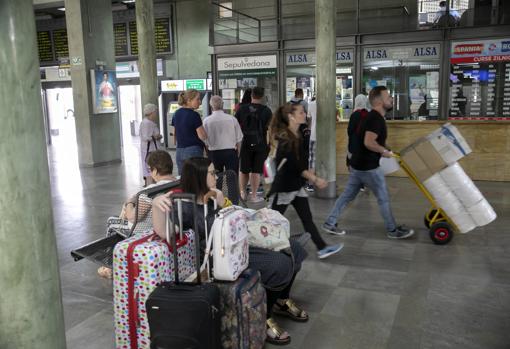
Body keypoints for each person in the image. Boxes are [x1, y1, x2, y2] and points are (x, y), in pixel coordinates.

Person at [152, 157, 308, 345]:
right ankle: (264, 316)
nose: (216, 177)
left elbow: (236, 217)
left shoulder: (212, 197)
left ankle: (282, 299)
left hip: (237, 244)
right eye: (211, 173)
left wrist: (222, 202)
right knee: (279, 264)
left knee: (295, 248)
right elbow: (164, 232)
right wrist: (156, 205)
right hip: (218, 257)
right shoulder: (184, 205)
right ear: (199, 176)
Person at [321, 86, 415, 239]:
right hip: (369, 167)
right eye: (388, 97)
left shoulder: (372, 117)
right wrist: (383, 152)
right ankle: (392, 231)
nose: (391, 99)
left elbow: (373, 140)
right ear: (378, 101)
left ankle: (329, 222)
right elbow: (369, 142)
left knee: (347, 196)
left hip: (357, 165)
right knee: (383, 198)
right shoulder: (375, 119)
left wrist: (388, 149)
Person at [267, 103, 344, 260]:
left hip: (295, 186)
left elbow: (300, 165)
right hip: (285, 188)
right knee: (271, 221)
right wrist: (315, 179)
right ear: (291, 116)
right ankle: (260, 248)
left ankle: (322, 248)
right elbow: (297, 167)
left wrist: (312, 175)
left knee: (307, 219)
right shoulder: (286, 139)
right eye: (301, 112)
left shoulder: (296, 135)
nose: (305, 114)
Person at [97, 150, 176, 279]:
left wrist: (129, 202)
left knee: (112, 222)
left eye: (150, 169)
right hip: (166, 227)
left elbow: (132, 216)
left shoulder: (151, 191)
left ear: (155, 170)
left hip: (144, 232)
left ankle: (110, 267)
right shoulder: (177, 182)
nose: (150, 173)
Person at [235, 87, 273, 202]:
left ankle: (242, 193)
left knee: (244, 170)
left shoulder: (242, 109)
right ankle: (254, 195)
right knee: (256, 171)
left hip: (245, 142)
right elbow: (270, 129)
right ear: (262, 97)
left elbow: (236, 125)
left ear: (251, 95)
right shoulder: (266, 110)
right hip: (260, 144)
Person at [203, 95, 243, 173]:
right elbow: (239, 139)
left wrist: (207, 154)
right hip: (230, 152)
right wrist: (238, 153)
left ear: (211, 106)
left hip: (214, 153)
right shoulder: (232, 119)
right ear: (223, 104)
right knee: (232, 178)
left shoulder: (206, 121)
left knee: (215, 178)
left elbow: (205, 140)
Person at [172, 89, 208, 175]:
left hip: (179, 151)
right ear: (189, 101)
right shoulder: (194, 115)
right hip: (193, 151)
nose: (200, 102)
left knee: (183, 178)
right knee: (196, 178)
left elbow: (174, 133)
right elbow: (202, 136)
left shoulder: (176, 113)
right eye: (198, 99)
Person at [140, 103, 163, 186]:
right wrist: (156, 136)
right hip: (150, 150)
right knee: (151, 169)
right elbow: (146, 137)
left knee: (150, 169)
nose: (156, 114)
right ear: (151, 112)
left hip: (149, 150)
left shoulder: (147, 122)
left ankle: (150, 186)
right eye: (155, 112)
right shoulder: (147, 123)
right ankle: (150, 187)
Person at [304, 96, 317, 192]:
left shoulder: (312, 104)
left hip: (314, 135)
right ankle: (327, 182)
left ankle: (311, 184)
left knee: (312, 160)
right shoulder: (331, 104)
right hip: (327, 138)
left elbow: (309, 119)